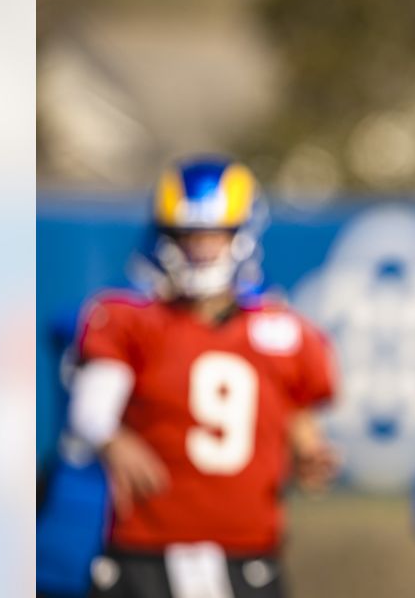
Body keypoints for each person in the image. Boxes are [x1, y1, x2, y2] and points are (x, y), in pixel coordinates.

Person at [67, 156, 339, 598]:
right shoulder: (131, 321)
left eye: (215, 235)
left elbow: (296, 412)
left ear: (242, 235)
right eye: (189, 235)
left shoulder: (282, 330)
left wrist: (310, 452)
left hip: (245, 545)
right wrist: (113, 440)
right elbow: (92, 410)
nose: (203, 249)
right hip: (147, 539)